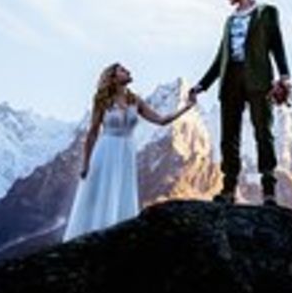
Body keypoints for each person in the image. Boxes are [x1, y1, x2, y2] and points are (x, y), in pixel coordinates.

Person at [188, 0, 292, 206]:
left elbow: (277, 45)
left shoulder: (266, 13)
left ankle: (268, 190)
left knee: (263, 132)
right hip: (231, 79)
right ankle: (228, 190)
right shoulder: (230, 20)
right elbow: (220, 58)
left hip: (258, 78)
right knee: (229, 136)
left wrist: (284, 76)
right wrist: (201, 85)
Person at [63, 62, 197, 241]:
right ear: (112, 77)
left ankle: (118, 237)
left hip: (125, 153)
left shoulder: (135, 100)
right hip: (106, 151)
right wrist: (86, 163)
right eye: (122, 70)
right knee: (103, 192)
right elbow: (93, 132)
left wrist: (187, 107)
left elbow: (161, 120)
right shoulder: (102, 99)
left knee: (121, 193)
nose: (128, 71)